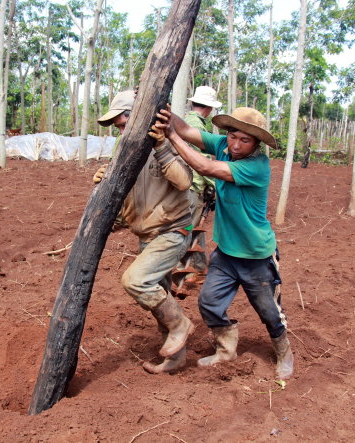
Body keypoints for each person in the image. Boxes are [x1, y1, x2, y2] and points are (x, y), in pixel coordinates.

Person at [154, 105, 294, 380]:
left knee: (269, 311)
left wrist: (170, 135)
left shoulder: (256, 166)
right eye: (233, 136)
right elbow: (188, 130)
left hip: (256, 255)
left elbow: (204, 166)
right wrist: (165, 113)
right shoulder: (222, 145)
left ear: (255, 143)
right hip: (227, 252)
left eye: (245, 140)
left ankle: (284, 352)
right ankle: (226, 350)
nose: (237, 144)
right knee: (209, 302)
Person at [94, 90, 195, 374]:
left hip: (172, 231)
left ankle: (180, 325)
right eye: (119, 128)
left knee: (136, 280)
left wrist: (162, 145)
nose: (122, 130)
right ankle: (176, 358)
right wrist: (103, 185)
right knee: (160, 295)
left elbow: (184, 182)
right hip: (147, 237)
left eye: (125, 123)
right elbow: (123, 212)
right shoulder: (124, 154)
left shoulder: (166, 143)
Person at [174, 86, 222, 288]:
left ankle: (200, 268)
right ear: (209, 109)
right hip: (192, 185)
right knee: (186, 228)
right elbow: (200, 160)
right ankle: (179, 271)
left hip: (189, 183)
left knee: (195, 227)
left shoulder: (189, 121)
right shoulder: (195, 126)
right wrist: (216, 184)